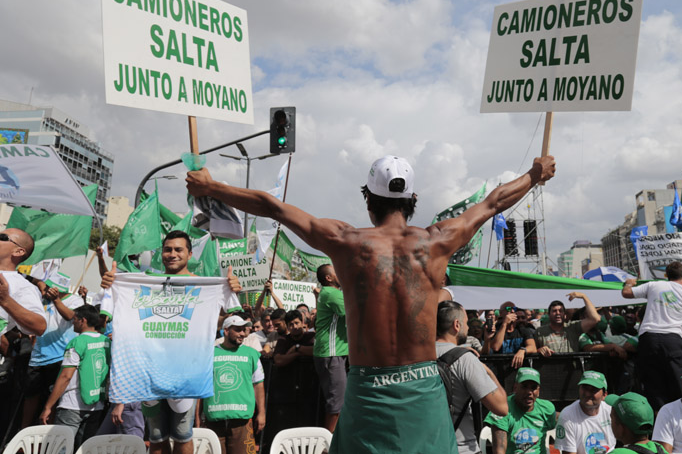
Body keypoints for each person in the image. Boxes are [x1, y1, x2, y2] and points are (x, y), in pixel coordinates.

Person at [186, 154, 556, 453]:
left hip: (368, 390)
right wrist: (534, 174)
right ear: (412, 201)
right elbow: (493, 201)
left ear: (368, 199)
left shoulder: (347, 242)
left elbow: (274, 208)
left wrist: (211, 187)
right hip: (422, 388)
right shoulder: (437, 241)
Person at [101, 230, 241, 454]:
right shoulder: (146, 282)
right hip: (148, 373)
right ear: (161, 253)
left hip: (185, 374)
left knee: (183, 436)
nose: (172, 254)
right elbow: (116, 291)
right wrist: (110, 280)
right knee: (156, 437)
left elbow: (225, 317)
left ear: (190, 254)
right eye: (168, 249)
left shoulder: (206, 285)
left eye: (178, 249)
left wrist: (231, 288)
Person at [621, 262, 682, 411]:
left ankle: (661, 428)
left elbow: (626, 293)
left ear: (667, 276)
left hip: (648, 340)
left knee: (654, 390)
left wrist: (628, 283)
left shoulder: (654, 285)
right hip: (672, 341)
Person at [437, 301, 507, 454]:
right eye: (466, 323)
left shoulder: (417, 357)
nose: (468, 328)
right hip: (461, 448)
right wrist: (486, 370)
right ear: (457, 325)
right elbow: (501, 407)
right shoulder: (465, 359)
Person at [39, 305, 111, 448]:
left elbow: (65, 376)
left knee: (61, 448)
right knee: (86, 450)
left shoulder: (76, 342)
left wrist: (48, 406)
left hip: (72, 405)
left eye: (75, 319)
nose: (73, 322)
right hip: (96, 405)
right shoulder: (106, 342)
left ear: (82, 320)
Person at [21, 279, 84, 428]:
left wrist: (56, 300)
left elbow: (70, 316)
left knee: (53, 400)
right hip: (37, 357)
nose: (48, 287)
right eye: (47, 284)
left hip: (59, 358)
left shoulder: (76, 300)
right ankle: (22, 434)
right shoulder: (41, 298)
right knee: (30, 397)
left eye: (52, 285)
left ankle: (47, 437)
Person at [199, 315, 265, 454]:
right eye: (238, 330)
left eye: (244, 330)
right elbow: (200, 386)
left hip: (242, 420)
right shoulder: (208, 354)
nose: (242, 333)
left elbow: (258, 385)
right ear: (226, 331)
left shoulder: (252, 354)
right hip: (213, 420)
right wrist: (197, 417)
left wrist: (262, 413)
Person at [485, 367, 556, 454]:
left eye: (533, 388)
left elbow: (561, 419)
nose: (529, 392)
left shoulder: (547, 409)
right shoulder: (502, 409)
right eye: (524, 387)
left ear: (538, 391)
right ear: (515, 388)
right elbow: (499, 450)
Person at [313, 264, 349, 433]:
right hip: (331, 354)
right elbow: (354, 313)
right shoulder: (332, 294)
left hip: (331, 354)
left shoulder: (328, 293)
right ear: (329, 278)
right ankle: (329, 446)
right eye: (337, 271)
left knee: (337, 403)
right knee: (336, 405)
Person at [554, 371, 615, 454]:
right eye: (584, 388)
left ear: (604, 395)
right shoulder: (567, 416)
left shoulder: (611, 411)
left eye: (593, 390)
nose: (587, 393)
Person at [0, 229, 46, 338]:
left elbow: (40, 326)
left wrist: (5, 300)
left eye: (2, 237)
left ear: (18, 251)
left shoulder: (21, 286)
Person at [535, 294, 601, 356]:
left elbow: (595, 319)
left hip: (571, 367)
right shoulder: (540, 331)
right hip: (548, 367)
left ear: (565, 315)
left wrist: (584, 297)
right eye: (554, 311)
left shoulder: (573, 327)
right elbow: (532, 349)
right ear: (549, 315)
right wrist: (539, 350)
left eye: (560, 311)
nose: (558, 313)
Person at [490, 301, 536, 368]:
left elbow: (533, 347)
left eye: (514, 309)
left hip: (520, 371)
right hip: (501, 370)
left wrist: (523, 350)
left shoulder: (522, 329)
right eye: (508, 309)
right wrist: (504, 324)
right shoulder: (496, 329)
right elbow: (496, 347)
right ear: (501, 313)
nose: (512, 311)